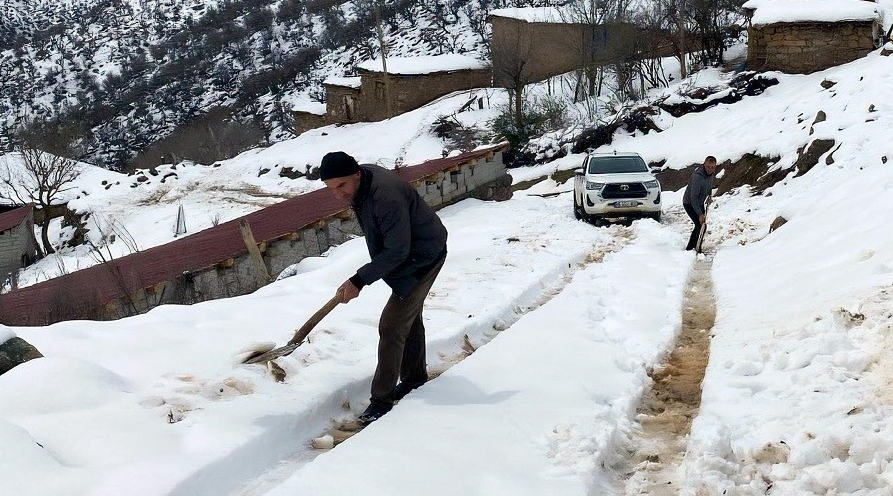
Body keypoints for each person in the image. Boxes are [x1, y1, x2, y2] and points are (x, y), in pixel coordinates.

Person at [318, 151, 448, 425]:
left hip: (422, 257)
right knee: (408, 320)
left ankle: (381, 400)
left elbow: (397, 250)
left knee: (391, 326)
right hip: (409, 255)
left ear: (356, 174)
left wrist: (359, 280)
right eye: (331, 189)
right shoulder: (362, 181)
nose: (338, 194)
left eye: (341, 186)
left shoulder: (385, 196)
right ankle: (414, 380)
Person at [682, 156, 717, 251]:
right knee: (699, 224)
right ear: (704, 165)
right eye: (708, 167)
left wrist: (709, 195)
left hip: (700, 202)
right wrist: (700, 214)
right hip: (689, 202)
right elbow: (693, 197)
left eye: (712, 167)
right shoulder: (698, 176)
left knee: (702, 226)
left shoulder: (711, 174)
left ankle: (695, 246)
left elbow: (709, 184)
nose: (710, 169)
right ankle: (691, 248)